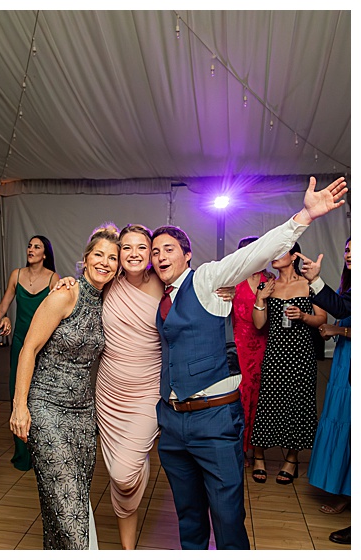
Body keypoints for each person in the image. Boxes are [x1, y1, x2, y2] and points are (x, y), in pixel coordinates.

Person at [148, 176, 346, 550]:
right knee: (188, 516)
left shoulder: (207, 279)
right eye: (155, 251)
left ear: (187, 255)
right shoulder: (159, 298)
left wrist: (304, 215)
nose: (160, 256)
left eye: (168, 249)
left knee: (226, 518)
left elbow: (252, 255)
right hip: (173, 425)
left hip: (213, 420)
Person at [10, 225, 119, 549]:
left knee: (60, 505)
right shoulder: (64, 294)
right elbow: (28, 347)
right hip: (46, 408)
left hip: (84, 415)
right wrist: (20, 406)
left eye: (112, 258)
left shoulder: (110, 301)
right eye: (98, 254)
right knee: (71, 509)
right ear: (84, 260)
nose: (105, 262)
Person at [93, 224, 163, 549]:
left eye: (141, 247)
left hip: (148, 392)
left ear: (151, 253)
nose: (134, 254)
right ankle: (128, 550)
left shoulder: (166, 285)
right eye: (127, 247)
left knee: (124, 473)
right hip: (108, 394)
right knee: (117, 476)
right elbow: (81, 288)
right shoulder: (107, 283)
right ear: (119, 253)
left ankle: (139, 461)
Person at [250, 242, 325, 485]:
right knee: (268, 401)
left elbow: (322, 319)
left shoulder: (308, 284)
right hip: (275, 353)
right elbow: (259, 324)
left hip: (301, 354)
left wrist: (303, 316)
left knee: (299, 403)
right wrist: (261, 299)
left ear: (294, 257)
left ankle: (291, 459)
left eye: (280, 252)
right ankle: (258, 455)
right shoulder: (267, 284)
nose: (273, 256)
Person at [299, 242, 352, 544]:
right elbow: (343, 306)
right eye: (347, 249)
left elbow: (344, 313)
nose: (348, 253)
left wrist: (338, 331)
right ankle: (347, 493)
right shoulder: (350, 284)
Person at [0, 234, 58, 471]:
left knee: (40, 396)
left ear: (45, 253)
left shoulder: (53, 279)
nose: (31, 249)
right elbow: (2, 307)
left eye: (36, 246)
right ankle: (22, 455)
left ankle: (42, 452)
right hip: (20, 343)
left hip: (43, 345)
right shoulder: (16, 275)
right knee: (17, 393)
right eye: (29, 245)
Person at [226, 236, 272, 480]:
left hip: (265, 346)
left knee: (261, 398)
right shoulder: (233, 282)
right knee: (239, 398)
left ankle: (257, 449)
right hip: (239, 347)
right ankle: (239, 449)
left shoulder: (270, 280)